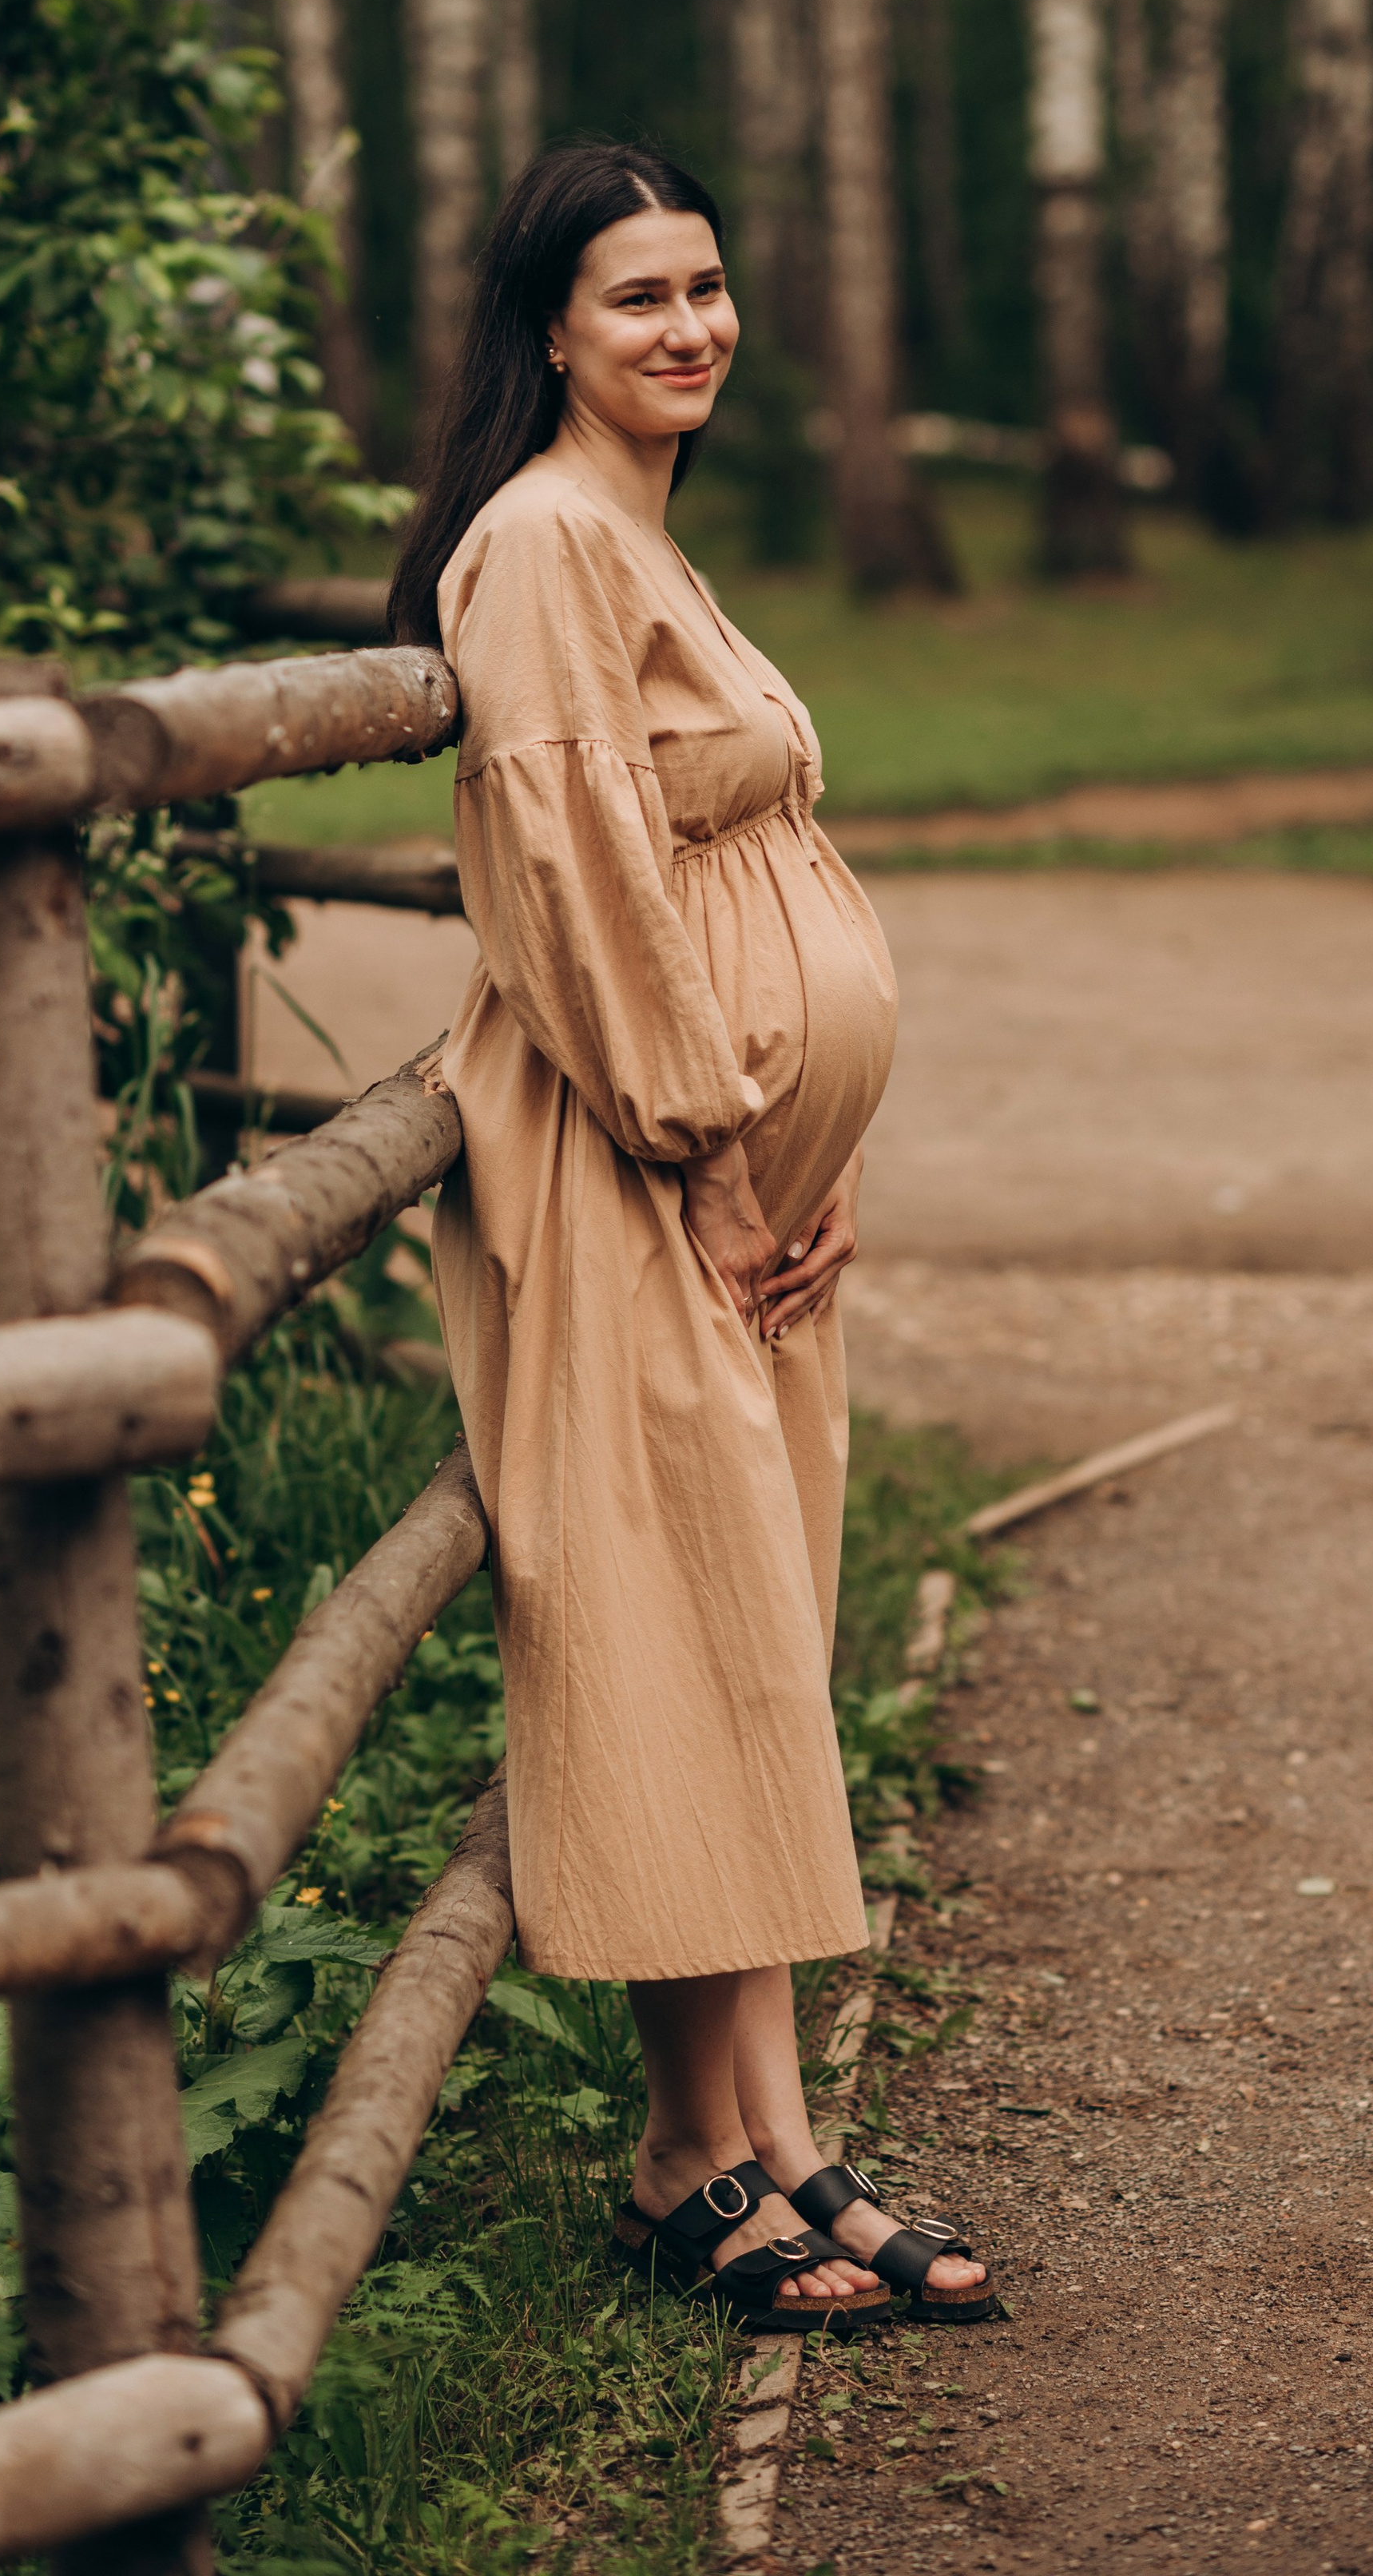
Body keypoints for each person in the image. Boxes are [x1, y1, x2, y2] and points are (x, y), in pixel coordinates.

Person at [387, 140, 994, 2330]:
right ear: (548, 326)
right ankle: (681, 2161)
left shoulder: (640, 534)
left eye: (709, 285)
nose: (691, 326)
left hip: (744, 1175)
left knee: (759, 1619)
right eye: (640, 296)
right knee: (670, 1619)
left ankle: (779, 2144)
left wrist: (812, 1156)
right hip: (642, 1164)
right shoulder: (546, 541)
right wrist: (716, 1142)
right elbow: (577, 870)